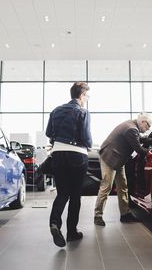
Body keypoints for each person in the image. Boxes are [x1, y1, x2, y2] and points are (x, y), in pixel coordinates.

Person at [46, 82, 92, 247]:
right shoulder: (83, 112)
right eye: (86, 96)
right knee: (75, 195)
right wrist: (89, 144)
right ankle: (71, 233)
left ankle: (54, 223)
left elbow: (48, 133)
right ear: (81, 95)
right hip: (77, 156)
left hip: (58, 154)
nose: (86, 99)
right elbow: (86, 137)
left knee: (62, 193)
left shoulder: (56, 110)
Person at [94, 113, 152, 226]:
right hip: (109, 158)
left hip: (118, 159)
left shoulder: (132, 125)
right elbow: (139, 149)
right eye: (148, 126)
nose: (148, 129)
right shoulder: (131, 129)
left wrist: (147, 140)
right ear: (143, 122)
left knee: (123, 187)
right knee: (106, 187)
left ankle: (125, 214)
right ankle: (98, 216)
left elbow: (137, 138)